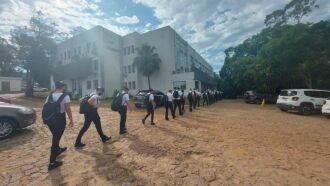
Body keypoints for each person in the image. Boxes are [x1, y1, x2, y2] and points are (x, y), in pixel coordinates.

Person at [45, 81, 73, 171]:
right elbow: (68, 109)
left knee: (56, 136)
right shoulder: (65, 96)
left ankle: (58, 150)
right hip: (60, 120)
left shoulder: (49, 96)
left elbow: (45, 108)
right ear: (63, 87)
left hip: (50, 120)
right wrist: (71, 120)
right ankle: (52, 163)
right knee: (55, 140)